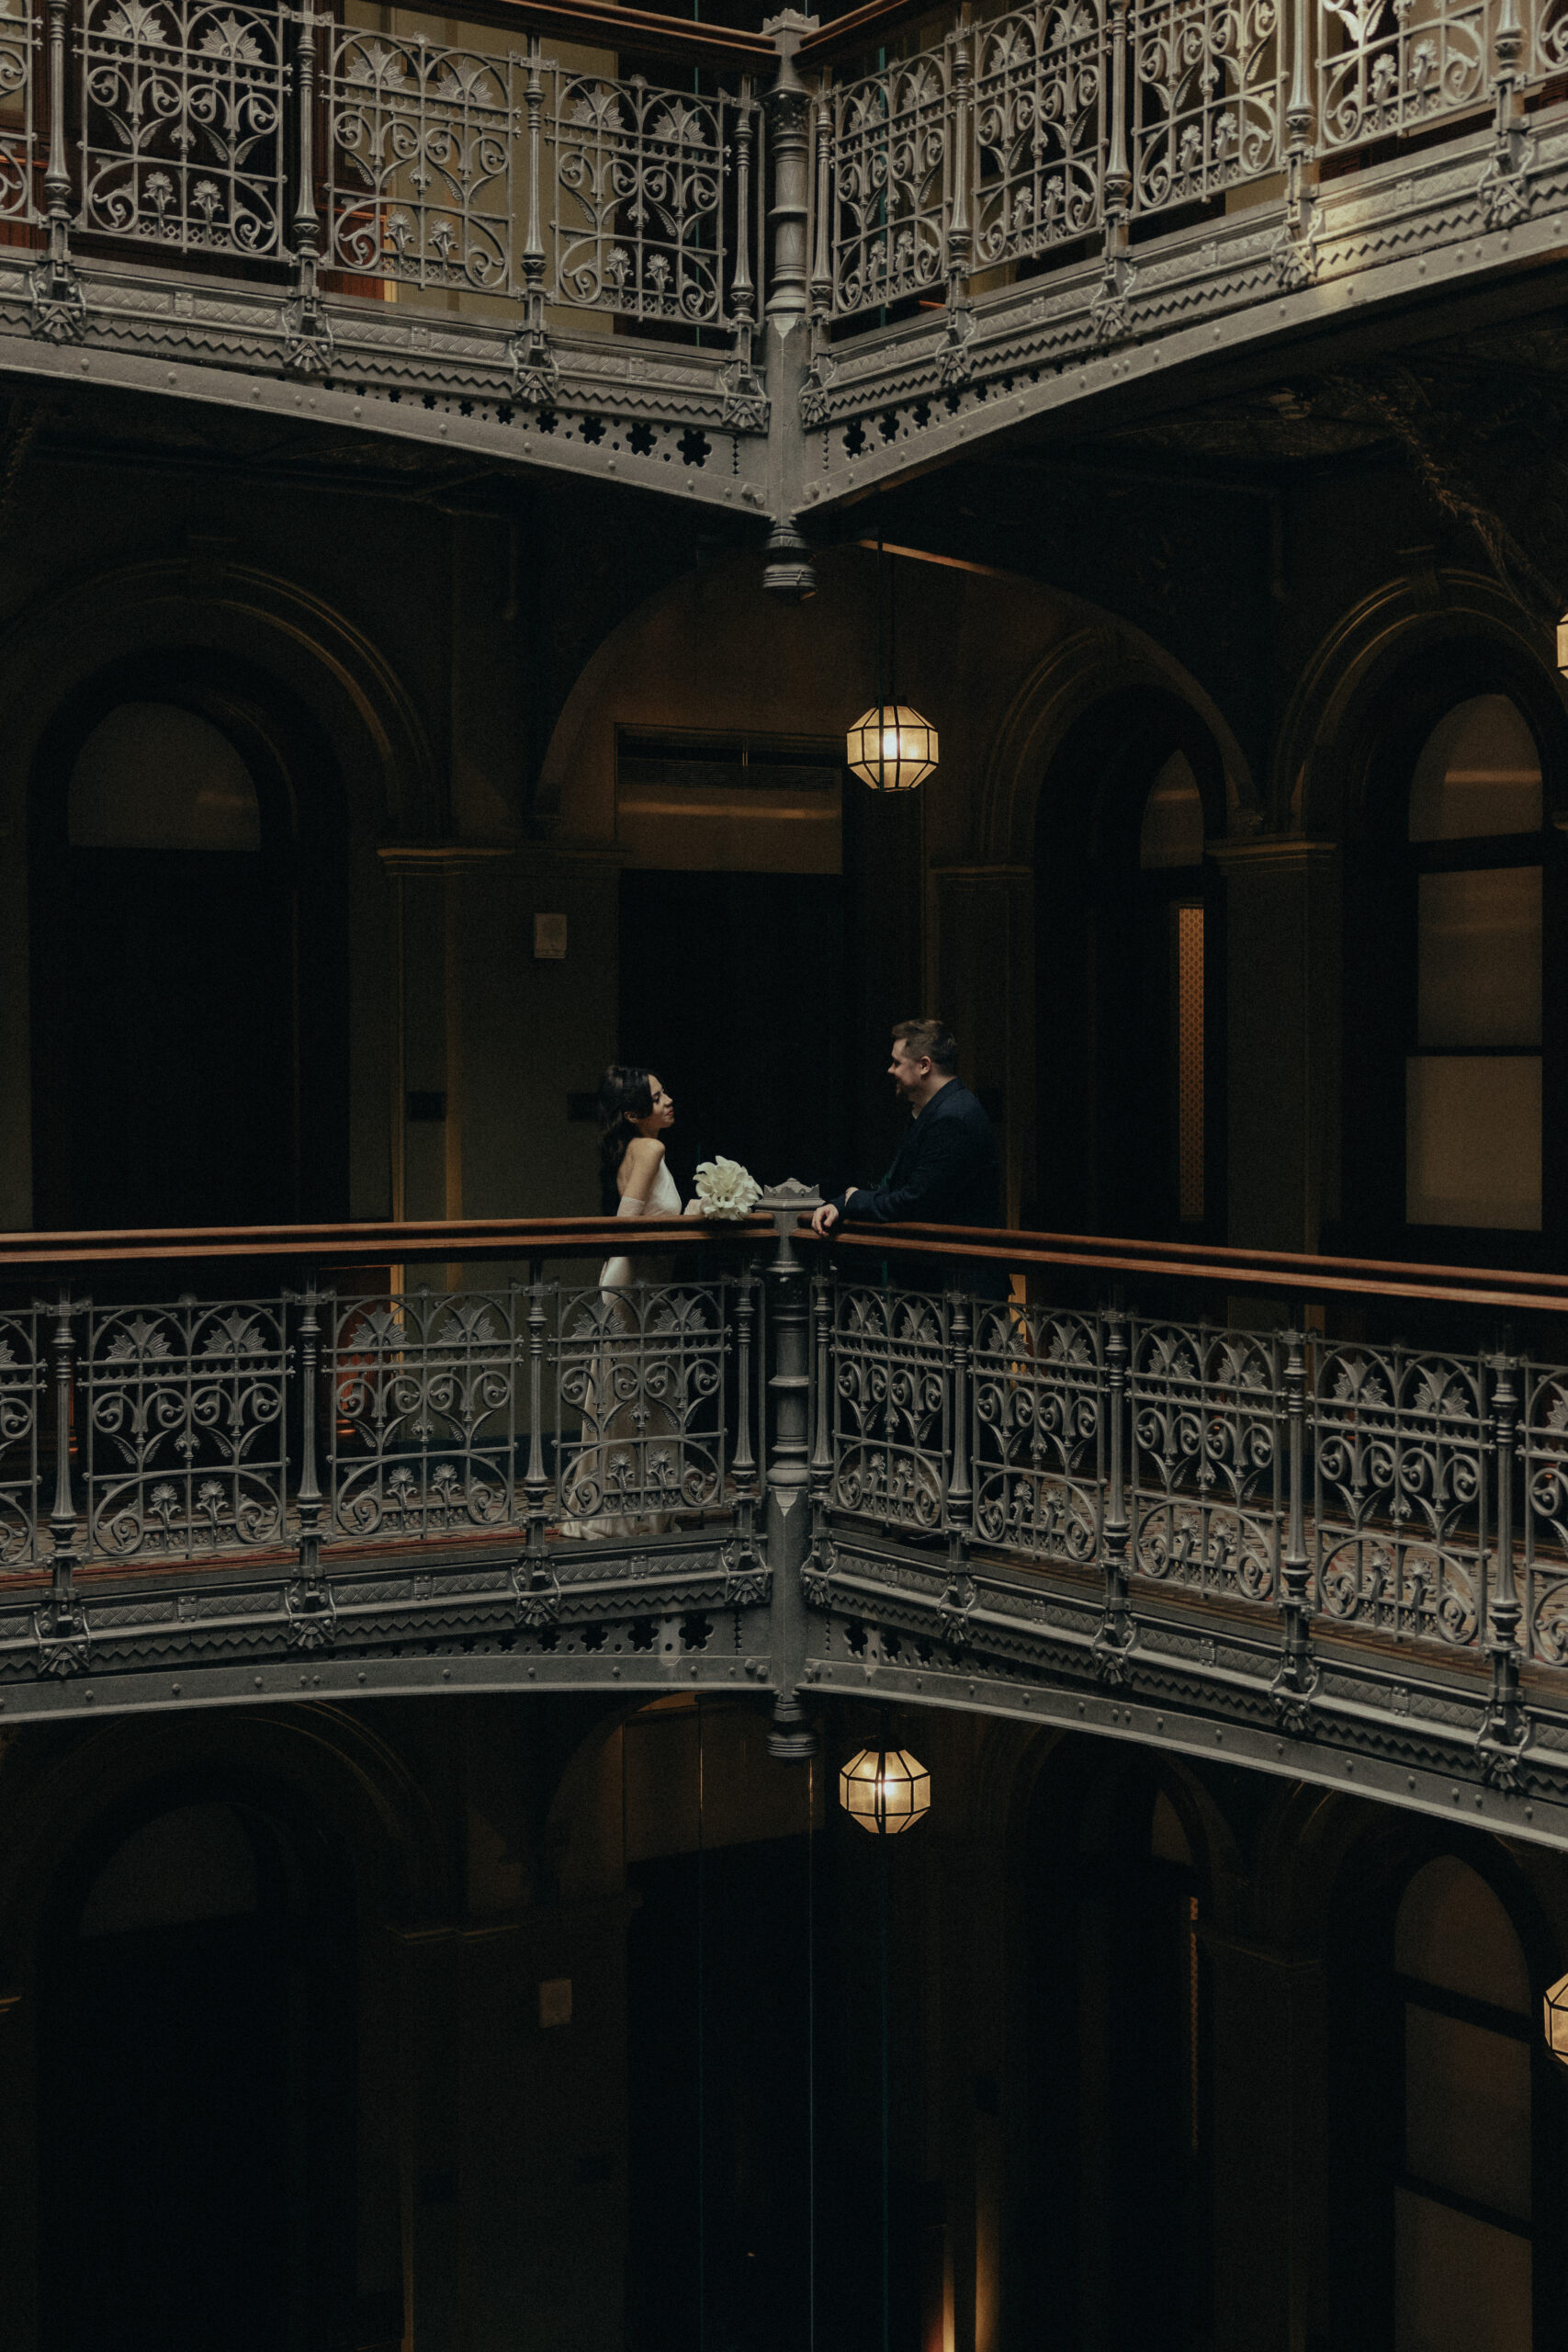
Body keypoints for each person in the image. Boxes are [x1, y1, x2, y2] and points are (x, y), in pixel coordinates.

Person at [558, 1065, 695, 1539]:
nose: (669, 1101)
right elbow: (628, 1223)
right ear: (635, 1113)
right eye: (658, 1098)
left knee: (640, 1395)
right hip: (635, 1284)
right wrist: (694, 1221)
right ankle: (626, 1513)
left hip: (644, 1283)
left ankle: (632, 1506)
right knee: (637, 1393)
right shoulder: (651, 1148)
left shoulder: (637, 1148)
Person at [810, 1018, 1010, 1300]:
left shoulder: (953, 1117)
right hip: (942, 1287)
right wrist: (844, 1204)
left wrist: (852, 1201)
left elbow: (914, 1202)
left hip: (960, 1290)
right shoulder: (935, 1110)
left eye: (896, 1062)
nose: (889, 1069)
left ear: (924, 1065)